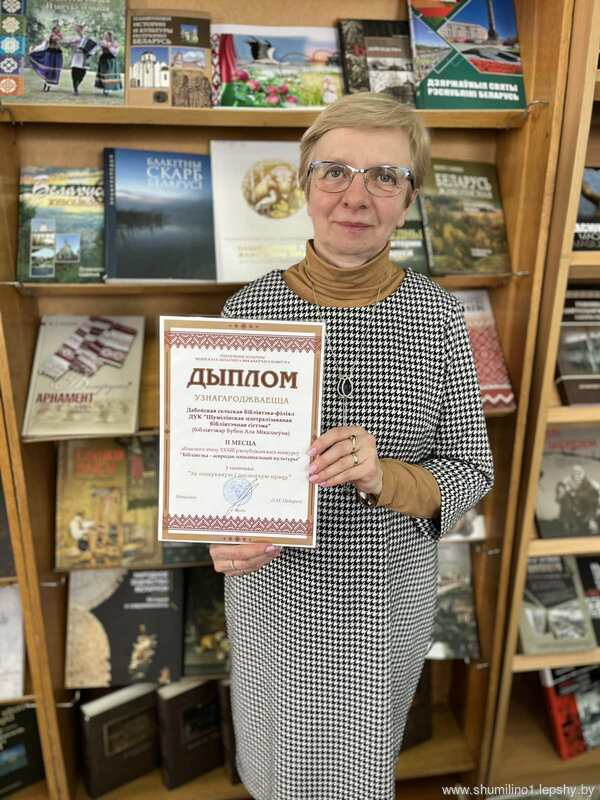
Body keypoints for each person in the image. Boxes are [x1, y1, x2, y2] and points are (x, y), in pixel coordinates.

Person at [209, 92, 494, 800]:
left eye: (385, 177)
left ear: (410, 199)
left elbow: (471, 469)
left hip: (384, 604)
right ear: (305, 184)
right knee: (277, 767)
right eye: (335, 171)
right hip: (275, 600)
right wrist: (220, 529)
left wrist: (384, 474)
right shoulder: (248, 311)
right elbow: (216, 463)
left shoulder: (438, 315)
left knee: (361, 770)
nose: (356, 196)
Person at [64, 23, 98, 96]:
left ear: (82, 29)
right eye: (76, 28)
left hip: (84, 57)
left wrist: (89, 53)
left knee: (82, 73)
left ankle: (77, 85)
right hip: (76, 56)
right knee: (74, 72)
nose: (77, 29)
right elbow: (66, 45)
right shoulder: (73, 37)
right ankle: (75, 88)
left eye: (79, 28)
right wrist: (71, 43)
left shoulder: (86, 37)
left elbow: (93, 46)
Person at [29, 23, 63, 92]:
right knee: (47, 69)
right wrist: (35, 50)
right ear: (54, 29)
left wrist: (60, 38)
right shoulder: (50, 35)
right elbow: (44, 44)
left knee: (53, 70)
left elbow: (62, 42)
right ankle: (45, 86)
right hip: (50, 53)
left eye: (59, 28)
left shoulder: (60, 36)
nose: (58, 29)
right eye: (57, 28)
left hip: (57, 54)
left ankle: (48, 87)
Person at [95, 31, 122, 95]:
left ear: (110, 36)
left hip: (111, 60)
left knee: (109, 74)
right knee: (104, 74)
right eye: (104, 35)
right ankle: (105, 88)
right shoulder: (103, 42)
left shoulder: (115, 43)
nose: (105, 36)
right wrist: (102, 47)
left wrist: (109, 46)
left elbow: (115, 52)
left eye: (106, 35)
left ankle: (109, 89)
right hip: (104, 59)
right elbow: (98, 49)